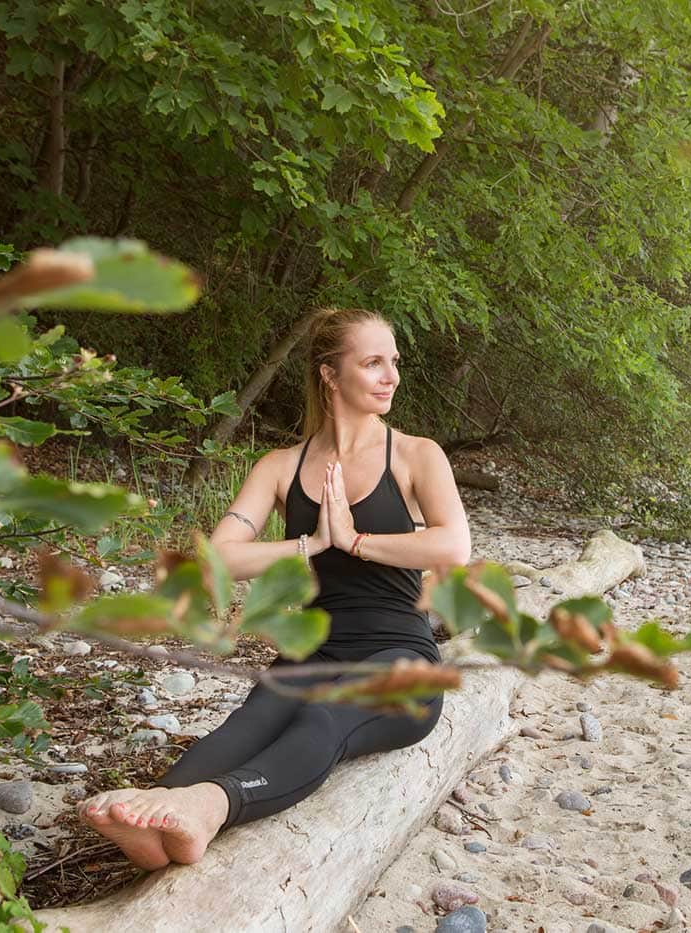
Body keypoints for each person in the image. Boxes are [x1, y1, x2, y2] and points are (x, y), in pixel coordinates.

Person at [76, 307, 472, 870]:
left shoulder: (415, 455)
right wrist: (309, 544)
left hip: (400, 657)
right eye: (374, 363)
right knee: (250, 721)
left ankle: (211, 806)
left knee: (323, 717)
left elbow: (454, 545)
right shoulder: (282, 467)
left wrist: (356, 541)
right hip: (312, 650)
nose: (392, 377)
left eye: (394, 363)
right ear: (330, 375)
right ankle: (157, 816)